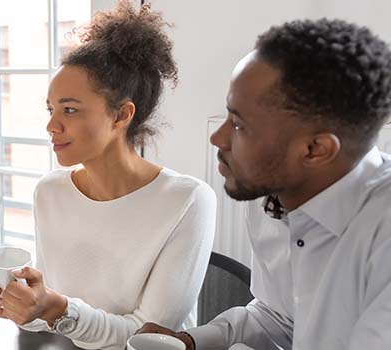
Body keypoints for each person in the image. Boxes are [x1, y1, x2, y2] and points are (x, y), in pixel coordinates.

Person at [135, 18, 391, 350]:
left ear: (315, 149)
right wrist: (188, 342)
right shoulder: (276, 196)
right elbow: (280, 317)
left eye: (238, 125)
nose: (218, 137)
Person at [0, 1, 216, 349]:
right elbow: (51, 321)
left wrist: (57, 310)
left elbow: (150, 338)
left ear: (121, 115)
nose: (51, 125)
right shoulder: (50, 192)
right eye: (51, 109)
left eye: (69, 109)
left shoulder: (188, 201)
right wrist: (22, 306)